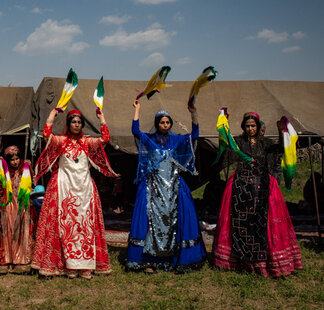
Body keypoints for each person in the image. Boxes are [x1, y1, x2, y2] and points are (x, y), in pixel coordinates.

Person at [212, 112, 303, 277]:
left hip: (263, 187)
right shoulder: (239, 142)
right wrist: (224, 122)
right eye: (247, 126)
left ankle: (265, 263)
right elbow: (227, 142)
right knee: (240, 222)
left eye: (253, 125)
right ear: (243, 127)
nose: (250, 128)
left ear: (258, 126)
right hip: (241, 188)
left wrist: (280, 130)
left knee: (263, 223)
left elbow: (281, 148)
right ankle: (239, 262)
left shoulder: (266, 143)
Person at [31, 108, 118, 279]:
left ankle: (85, 267)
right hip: (64, 187)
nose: (76, 125)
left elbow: (105, 139)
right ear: (68, 124)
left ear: (82, 125)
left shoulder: (87, 142)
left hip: (85, 190)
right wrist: (51, 114)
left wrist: (101, 118)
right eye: (73, 122)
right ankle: (67, 266)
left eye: (79, 122)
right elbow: (47, 136)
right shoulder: (61, 140)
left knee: (85, 227)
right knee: (65, 227)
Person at [126, 98, 206, 272]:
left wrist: (194, 114)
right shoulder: (149, 140)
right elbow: (135, 130)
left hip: (174, 187)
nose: (165, 125)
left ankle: (174, 258)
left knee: (176, 221)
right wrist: (137, 110)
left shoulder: (177, 140)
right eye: (162, 122)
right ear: (157, 124)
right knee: (149, 222)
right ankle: (148, 260)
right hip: (152, 188)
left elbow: (195, 135)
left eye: (167, 122)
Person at [0, 146, 36, 274]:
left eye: (17, 158)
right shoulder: (5, 172)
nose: (15, 162)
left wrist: (28, 165)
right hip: (8, 205)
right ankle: (6, 259)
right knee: (7, 231)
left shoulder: (25, 170)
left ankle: (22, 260)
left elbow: (32, 181)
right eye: (12, 159)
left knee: (21, 232)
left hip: (22, 205)